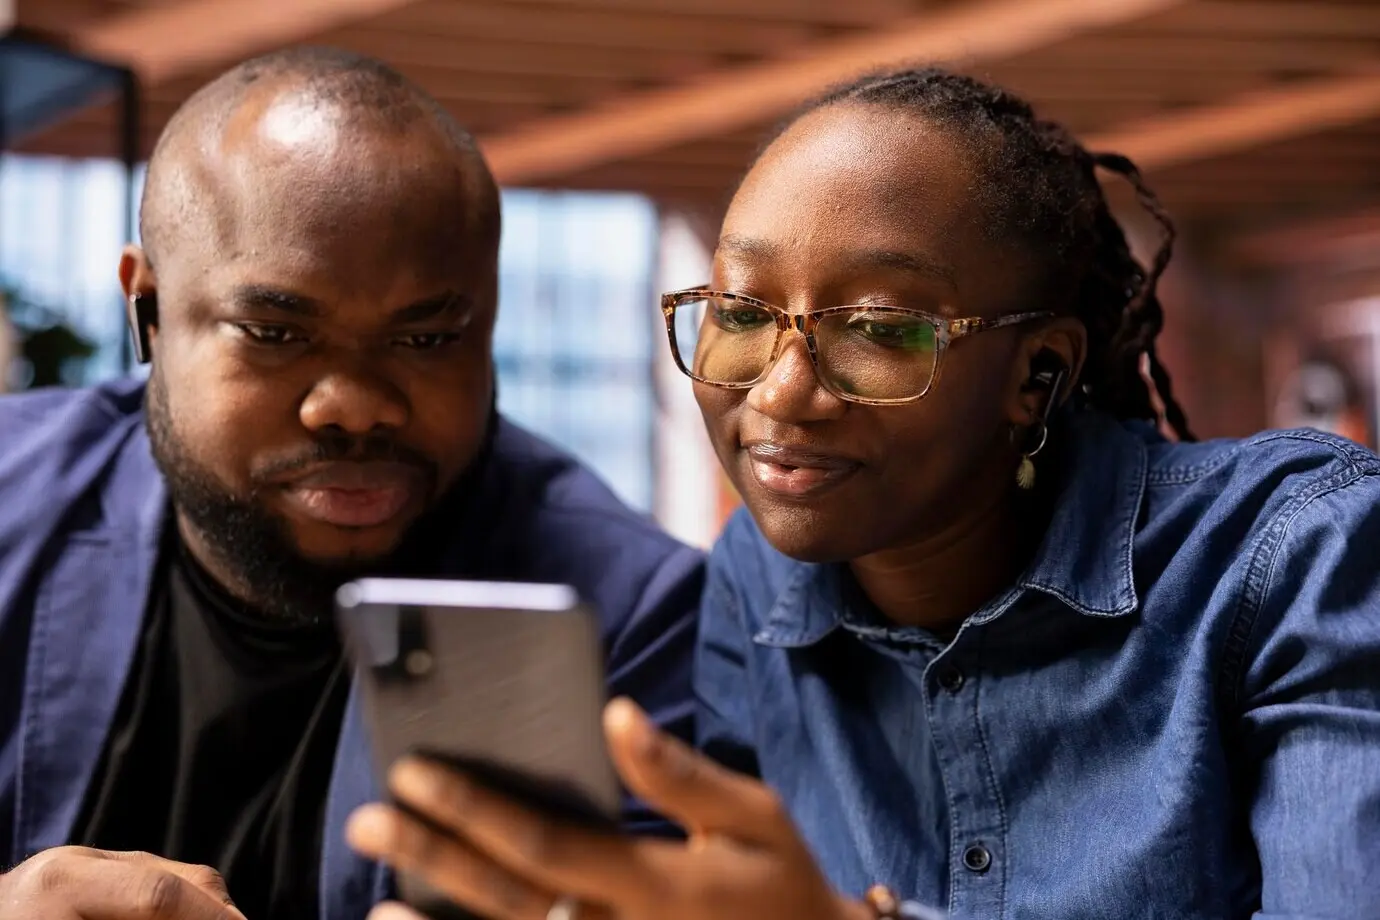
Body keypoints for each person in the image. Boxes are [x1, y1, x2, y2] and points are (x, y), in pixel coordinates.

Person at [350, 68, 1380, 920]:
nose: (781, 390)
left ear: (1039, 376)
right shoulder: (757, 589)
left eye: (883, 328)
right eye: (742, 309)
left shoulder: (1301, 555)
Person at [0, 48, 703, 920]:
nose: (356, 408)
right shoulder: (12, 500)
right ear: (145, 306)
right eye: (274, 331)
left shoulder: (632, 617)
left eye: (426, 340)